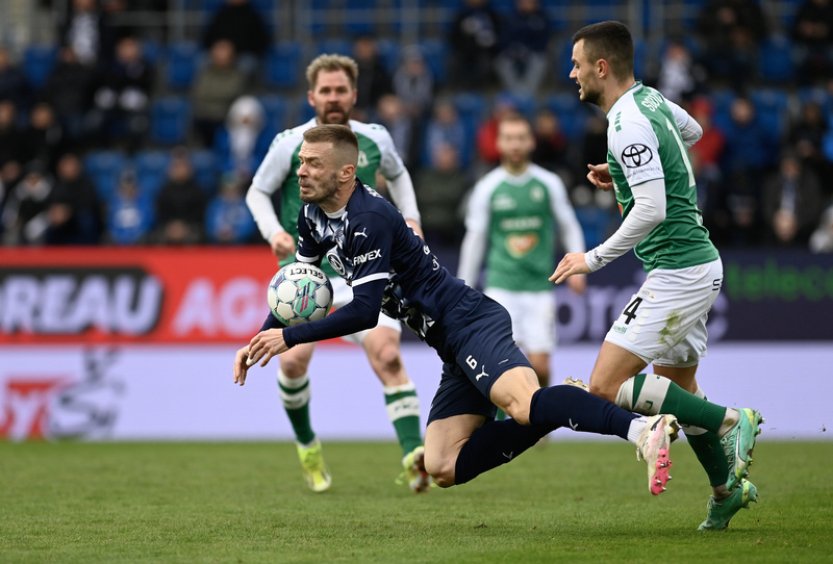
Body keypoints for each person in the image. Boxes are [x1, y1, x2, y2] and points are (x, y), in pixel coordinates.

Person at [235, 124, 681, 499]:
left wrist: (289, 338)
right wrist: (263, 334)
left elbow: (366, 313)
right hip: (448, 342)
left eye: (313, 163)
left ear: (346, 172)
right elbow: (299, 287)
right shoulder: (312, 215)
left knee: (523, 406)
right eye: (301, 162)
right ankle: (566, 401)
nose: (301, 171)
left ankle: (641, 430)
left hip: (469, 320)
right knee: (442, 465)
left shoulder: (368, 218)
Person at [551, 21, 764, 531]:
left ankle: (734, 420)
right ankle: (724, 493)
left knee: (602, 387)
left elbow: (649, 209)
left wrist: (593, 258)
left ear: (602, 67)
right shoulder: (647, 101)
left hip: (678, 272)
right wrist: (622, 170)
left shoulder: (624, 124)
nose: (571, 73)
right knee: (679, 391)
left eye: (578, 64)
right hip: (692, 264)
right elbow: (691, 132)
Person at [244, 54, 427, 494]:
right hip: (307, 275)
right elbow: (257, 191)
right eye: (324, 91)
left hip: (366, 270)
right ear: (312, 96)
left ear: (354, 94)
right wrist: (273, 233)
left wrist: (412, 219)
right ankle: (307, 445)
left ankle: (415, 457)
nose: (332, 98)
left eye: (340, 90)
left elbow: (398, 176)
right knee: (292, 361)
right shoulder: (291, 143)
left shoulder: (373, 138)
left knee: (388, 356)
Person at [458, 113, 586, 400]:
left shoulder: (547, 183)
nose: (515, 144)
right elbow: (475, 238)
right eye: (509, 138)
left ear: (530, 142)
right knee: (503, 366)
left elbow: (568, 224)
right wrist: (464, 285)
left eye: (520, 138)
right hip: (501, 286)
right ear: (500, 144)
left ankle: (539, 408)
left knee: (540, 365)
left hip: (540, 287)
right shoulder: (487, 187)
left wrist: (577, 267)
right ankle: (515, 423)